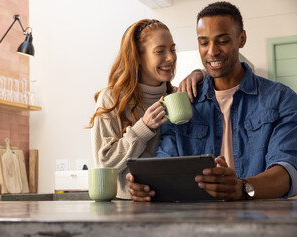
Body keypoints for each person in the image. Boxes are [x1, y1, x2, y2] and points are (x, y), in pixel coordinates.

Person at [127, 1, 297, 201]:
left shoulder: (281, 99)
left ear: (241, 39)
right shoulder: (184, 103)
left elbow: (287, 169)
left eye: (222, 41)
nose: (212, 51)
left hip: (260, 221)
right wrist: (147, 185)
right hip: (198, 223)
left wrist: (243, 187)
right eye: (204, 42)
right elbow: (165, 160)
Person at [89, 19, 205, 199]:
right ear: (138, 57)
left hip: (174, 203)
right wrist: (143, 128)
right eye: (160, 51)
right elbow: (104, 164)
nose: (171, 57)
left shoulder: (176, 96)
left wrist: (200, 74)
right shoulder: (111, 98)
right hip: (126, 208)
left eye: (172, 49)